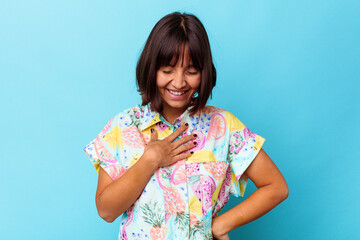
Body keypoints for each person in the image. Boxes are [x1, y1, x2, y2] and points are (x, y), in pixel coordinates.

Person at [83, 12, 288, 240]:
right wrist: (150, 160)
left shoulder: (224, 127)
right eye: (168, 70)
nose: (179, 82)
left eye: (191, 71)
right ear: (152, 69)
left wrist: (220, 224)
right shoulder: (124, 126)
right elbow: (106, 211)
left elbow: (276, 187)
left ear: (204, 72)